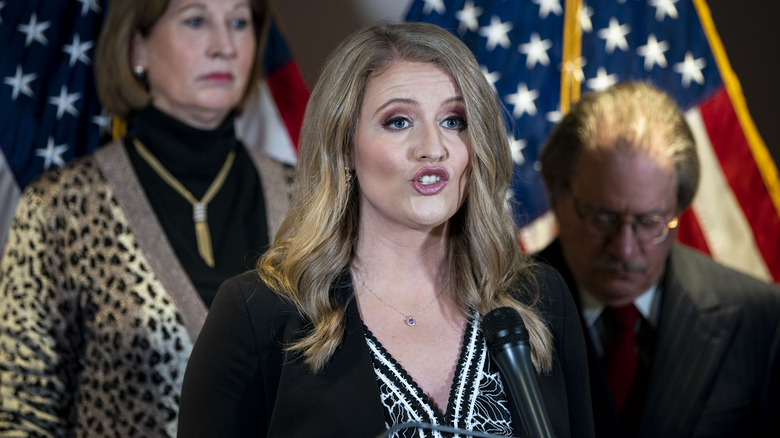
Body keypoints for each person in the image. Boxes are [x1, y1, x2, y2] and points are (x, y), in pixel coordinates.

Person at [177, 21, 594, 438]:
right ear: (345, 149)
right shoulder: (258, 313)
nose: (433, 147)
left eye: (453, 120)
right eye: (398, 121)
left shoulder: (539, 299)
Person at [0, 0, 292, 436]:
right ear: (137, 48)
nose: (224, 45)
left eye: (238, 22)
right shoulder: (59, 207)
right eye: (196, 21)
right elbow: (23, 414)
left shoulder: (309, 198)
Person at [536, 81, 780, 437]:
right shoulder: (490, 312)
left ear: (679, 207)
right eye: (603, 218)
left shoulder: (760, 319)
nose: (624, 249)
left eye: (650, 222)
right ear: (558, 196)